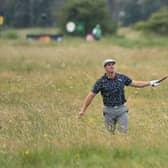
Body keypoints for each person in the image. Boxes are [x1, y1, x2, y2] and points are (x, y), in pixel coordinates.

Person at [79, 59, 160, 134]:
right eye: (109, 65)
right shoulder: (101, 82)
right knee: (110, 134)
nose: (111, 66)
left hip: (122, 110)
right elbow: (91, 95)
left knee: (123, 132)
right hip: (108, 111)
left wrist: (150, 82)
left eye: (113, 64)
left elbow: (136, 83)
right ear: (105, 68)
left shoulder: (121, 77)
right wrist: (83, 110)